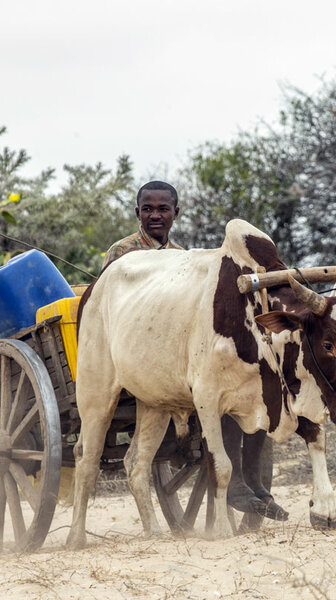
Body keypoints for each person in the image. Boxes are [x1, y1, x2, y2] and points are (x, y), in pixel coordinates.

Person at [104, 180, 287, 522]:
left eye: (163, 209)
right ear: (137, 213)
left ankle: (249, 486)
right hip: (141, 352)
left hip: (179, 353)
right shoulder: (121, 254)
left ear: (176, 213)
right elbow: (107, 310)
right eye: (148, 209)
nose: (155, 215)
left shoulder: (184, 255)